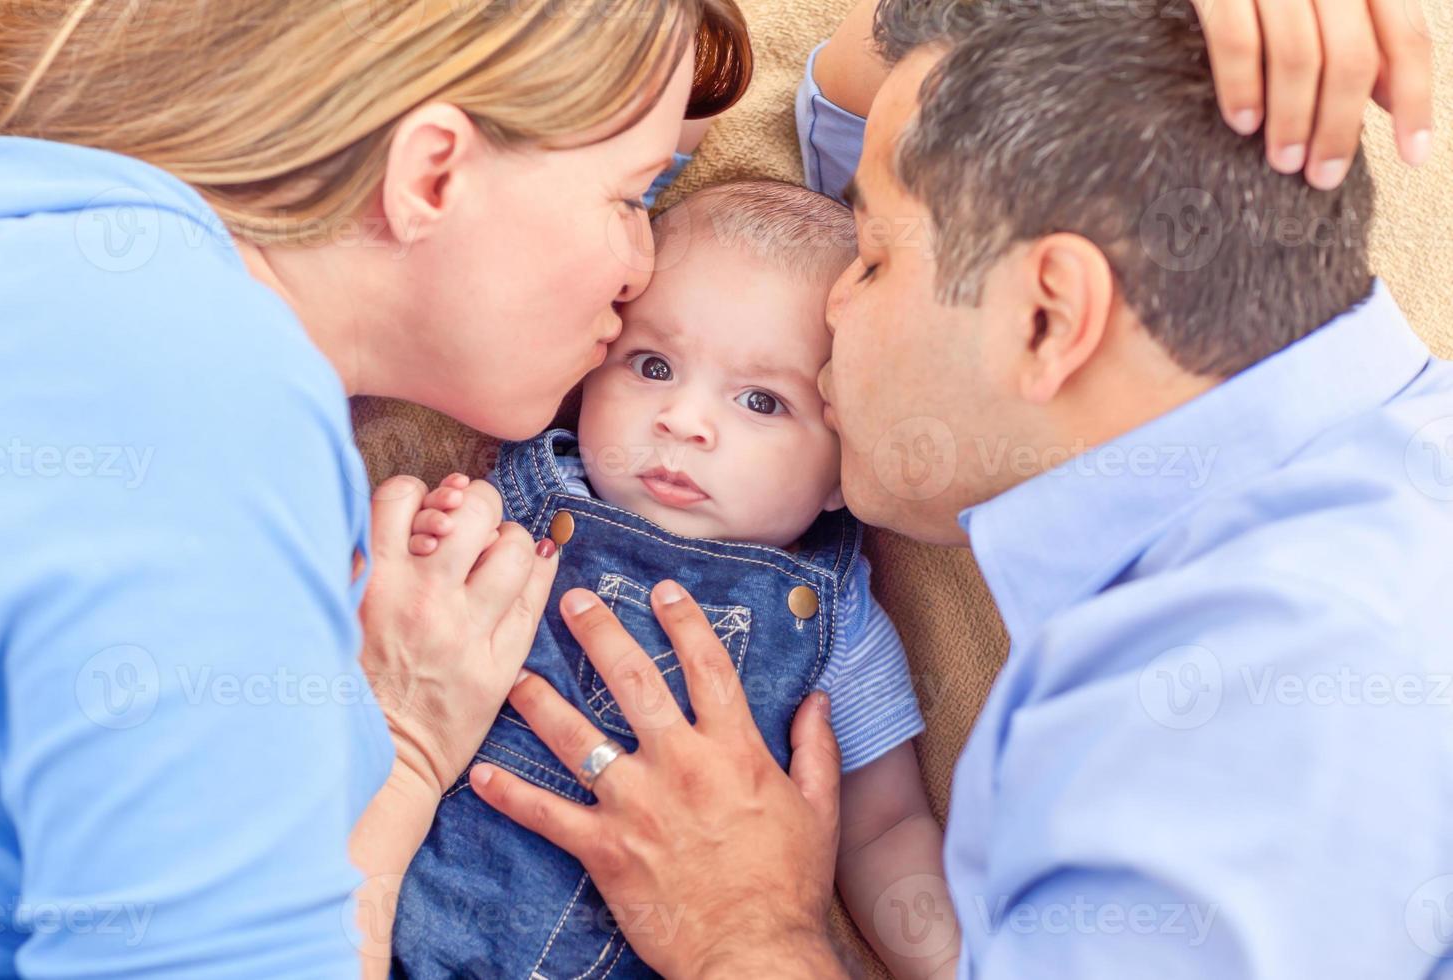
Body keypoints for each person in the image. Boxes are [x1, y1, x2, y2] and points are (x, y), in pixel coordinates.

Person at [467, 0, 1451, 977]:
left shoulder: (1255, 718)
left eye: (873, 259)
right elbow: (878, 81)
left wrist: (746, 928)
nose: (831, 315)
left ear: (1048, 318)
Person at [0, 0, 748, 975]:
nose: (647, 269)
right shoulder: (196, 378)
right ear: (432, 172)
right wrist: (408, 748)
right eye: (636, 194)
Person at [393, 180, 958, 979]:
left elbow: (884, 828)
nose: (684, 420)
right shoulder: (513, 509)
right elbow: (402, 650)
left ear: (847, 467)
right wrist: (438, 547)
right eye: (651, 365)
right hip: (400, 934)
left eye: (762, 400)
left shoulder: (838, 622)